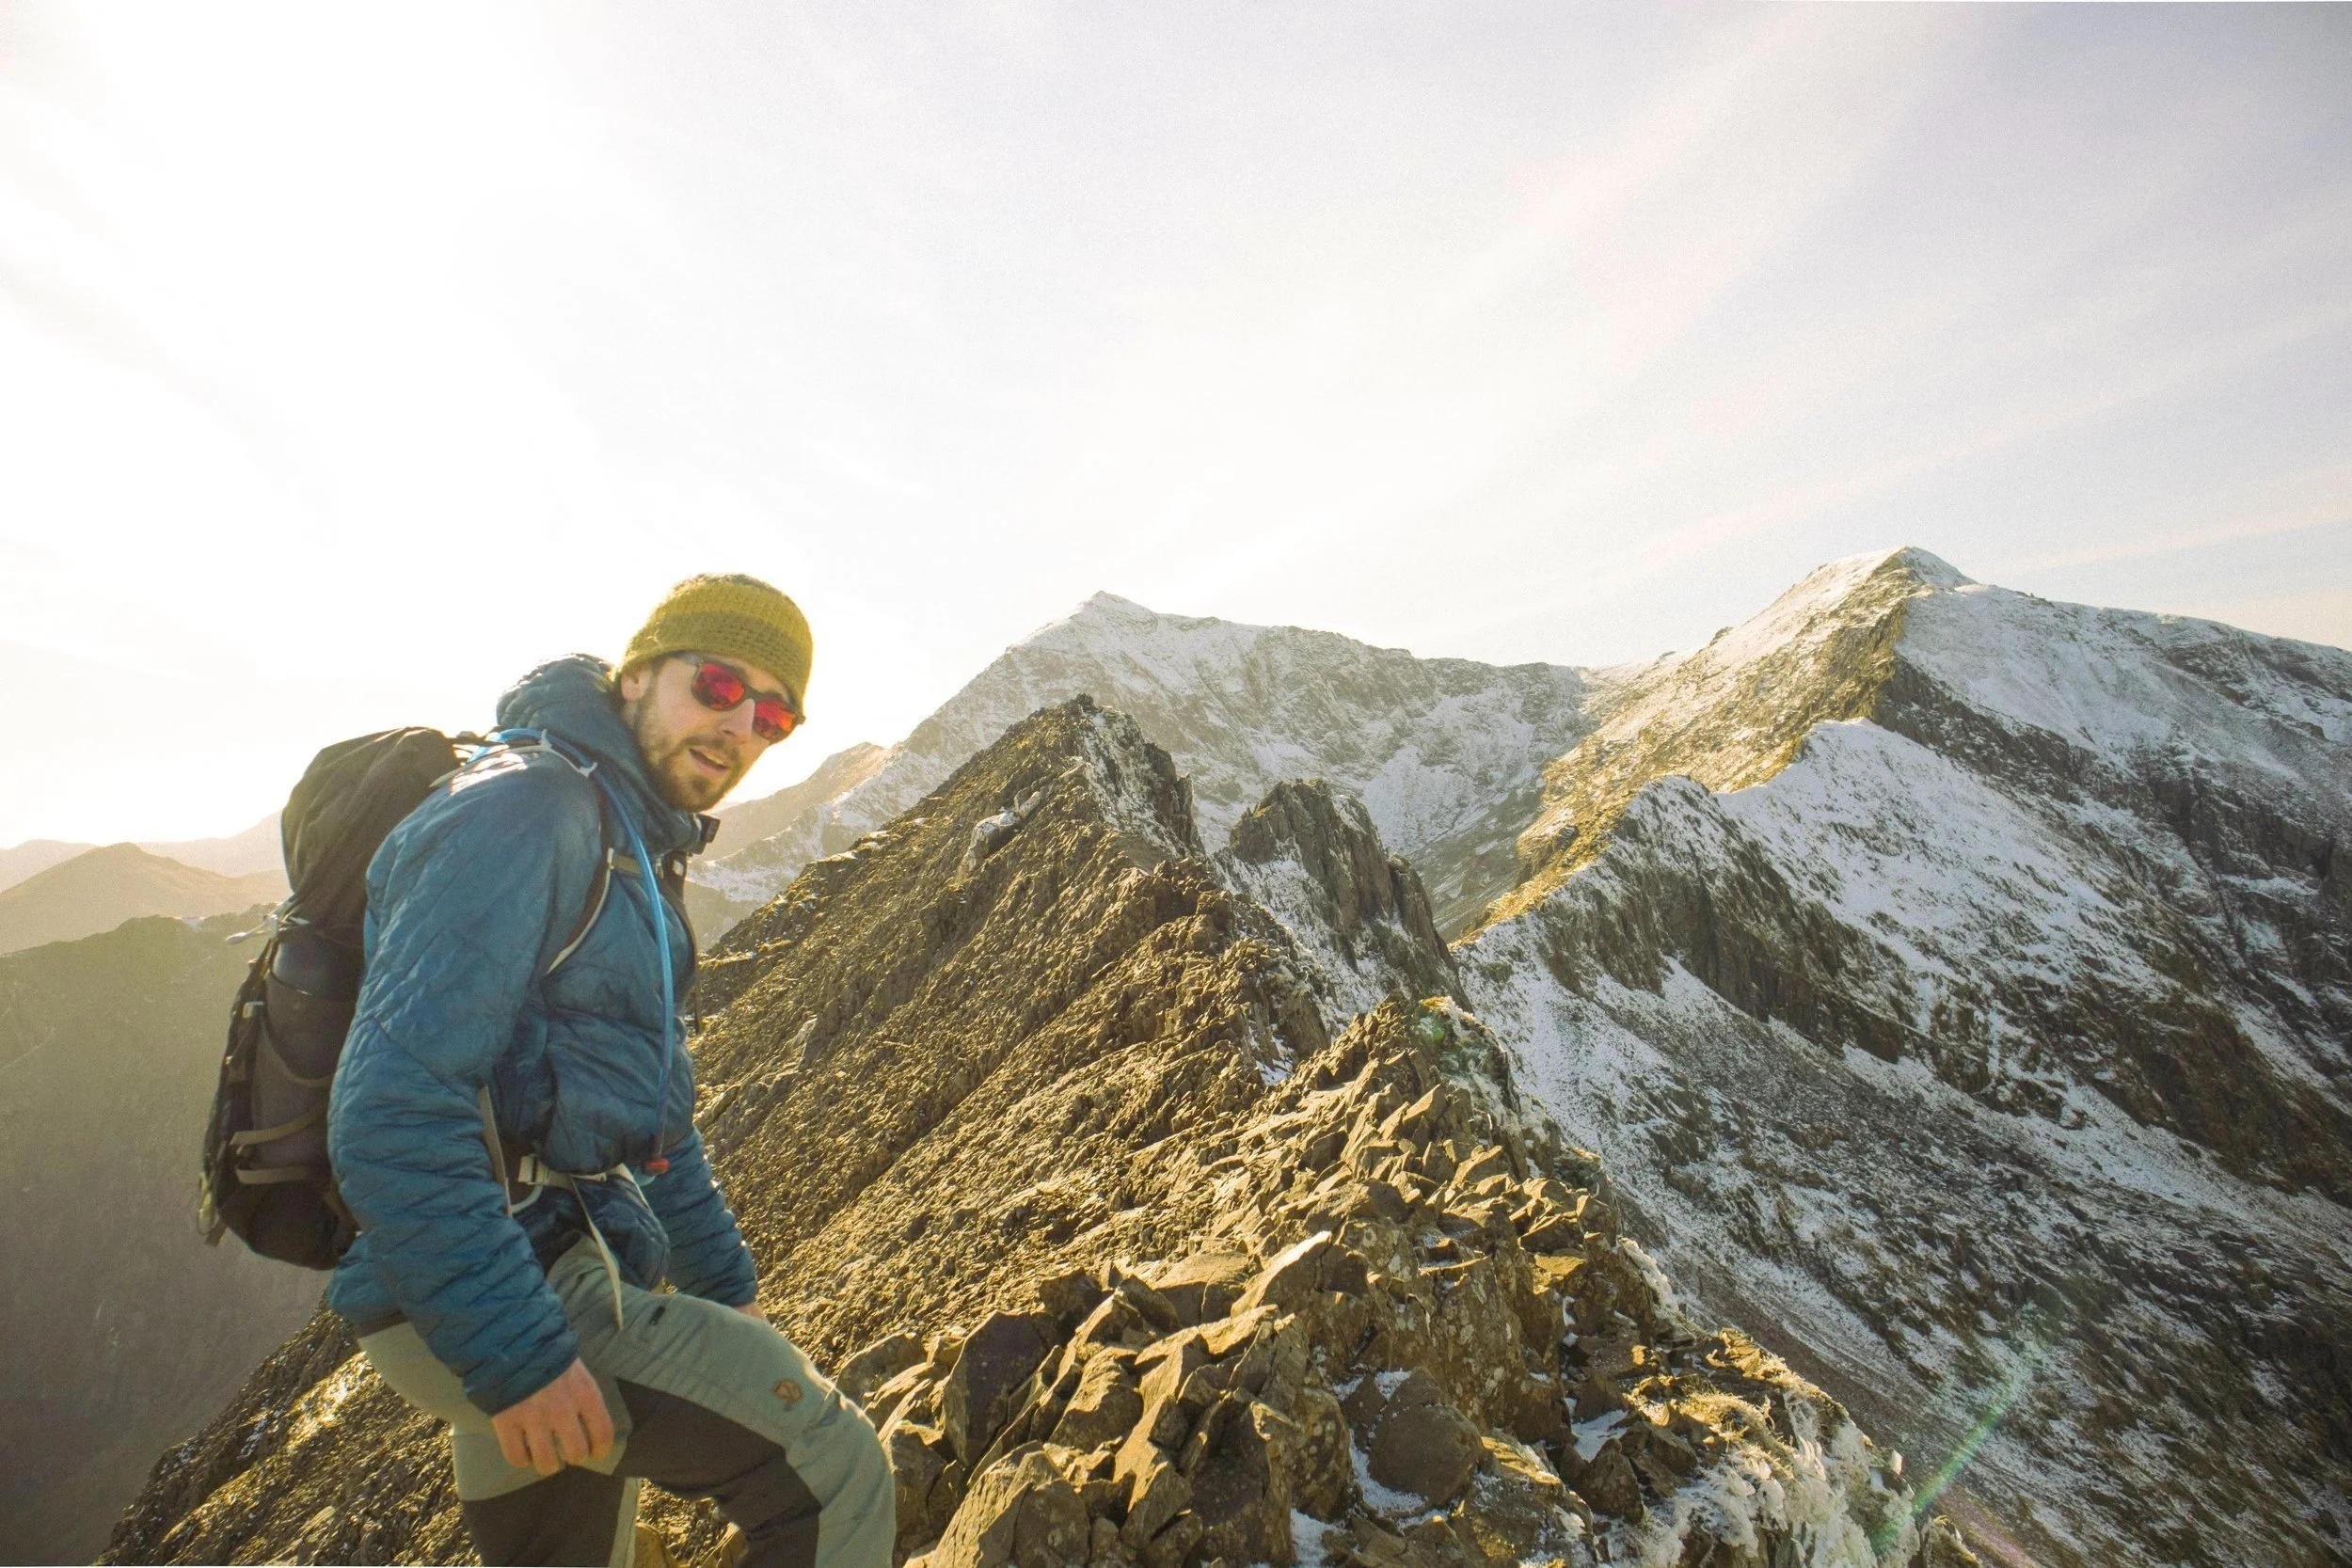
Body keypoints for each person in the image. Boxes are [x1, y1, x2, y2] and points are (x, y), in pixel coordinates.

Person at [325, 574, 893, 1568]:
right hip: (502, 1279)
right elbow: (390, 1106)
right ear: (636, 673)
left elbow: (658, 1116)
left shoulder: (627, 836)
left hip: (545, 1257)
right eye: (716, 684)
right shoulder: (528, 809)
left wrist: (725, 1285)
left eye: (773, 713)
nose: (739, 726)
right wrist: (521, 1355)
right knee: (833, 1464)